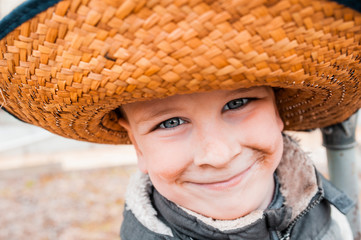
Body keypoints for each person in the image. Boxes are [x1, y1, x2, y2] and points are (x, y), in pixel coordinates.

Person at [0, 0, 360, 239]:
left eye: (239, 103)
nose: (218, 155)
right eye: (169, 123)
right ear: (137, 146)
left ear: (277, 112)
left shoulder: (327, 206)